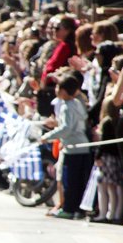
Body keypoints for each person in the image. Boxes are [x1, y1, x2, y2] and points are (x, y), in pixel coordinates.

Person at [40, 74, 93, 219]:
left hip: (73, 148)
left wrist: (47, 137)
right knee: (79, 181)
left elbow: (66, 128)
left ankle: (69, 208)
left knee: (69, 181)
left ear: (63, 91)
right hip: (82, 146)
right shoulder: (78, 103)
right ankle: (77, 209)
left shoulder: (66, 106)